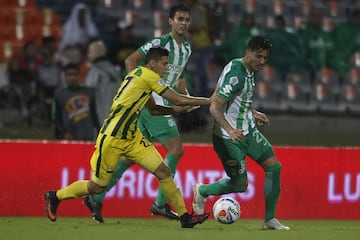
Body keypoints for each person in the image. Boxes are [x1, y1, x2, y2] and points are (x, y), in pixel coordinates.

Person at [45, 46, 210, 228]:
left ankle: (185, 217)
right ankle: (56, 196)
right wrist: (209, 101)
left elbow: (154, 109)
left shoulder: (139, 76)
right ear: (152, 63)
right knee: (96, 186)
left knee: (163, 171)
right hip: (112, 138)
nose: (166, 69)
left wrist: (177, 110)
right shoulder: (149, 76)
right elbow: (178, 98)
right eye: (164, 64)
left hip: (132, 137)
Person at [83, 3, 194, 223]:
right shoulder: (159, 43)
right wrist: (139, 89)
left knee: (127, 157)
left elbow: (179, 77)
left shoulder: (187, 49)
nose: (183, 23)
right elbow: (130, 60)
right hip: (153, 104)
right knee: (176, 149)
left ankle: (96, 197)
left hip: (151, 106)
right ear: (170, 21)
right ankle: (161, 204)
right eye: (179, 19)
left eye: (186, 20)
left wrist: (185, 94)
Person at [192, 36, 290, 230]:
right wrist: (230, 129)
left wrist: (253, 113)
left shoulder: (249, 69)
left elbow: (239, 98)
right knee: (240, 186)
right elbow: (215, 106)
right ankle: (202, 190)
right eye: (259, 56)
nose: (262, 61)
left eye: (265, 58)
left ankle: (270, 220)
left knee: (274, 168)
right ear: (248, 52)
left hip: (248, 131)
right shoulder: (236, 72)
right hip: (228, 138)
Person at [53, 63, 100, 141]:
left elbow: (94, 115)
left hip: (87, 134)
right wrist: (63, 133)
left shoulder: (89, 92)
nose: (72, 77)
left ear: (79, 75)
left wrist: (98, 130)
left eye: (75, 74)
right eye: (69, 75)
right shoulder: (59, 94)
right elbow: (57, 118)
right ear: (65, 77)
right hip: (69, 137)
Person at [84, 40, 121, 122]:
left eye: (89, 52)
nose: (88, 55)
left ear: (95, 53)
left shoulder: (94, 70)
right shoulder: (116, 70)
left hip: (101, 118)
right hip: (117, 118)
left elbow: (87, 94)